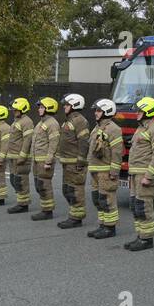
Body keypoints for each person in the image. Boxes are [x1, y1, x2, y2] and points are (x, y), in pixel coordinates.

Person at [124, 95, 154, 251]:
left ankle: (147, 239)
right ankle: (140, 235)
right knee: (135, 205)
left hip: (144, 174)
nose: (137, 113)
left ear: (148, 111)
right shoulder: (141, 128)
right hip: (135, 173)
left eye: (140, 111)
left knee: (143, 206)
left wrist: (149, 176)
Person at [86, 98, 123, 239]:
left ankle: (110, 227)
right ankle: (102, 224)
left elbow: (117, 153)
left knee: (107, 199)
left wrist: (114, 172)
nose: (96, 113)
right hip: (95, 170)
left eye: (99, 110)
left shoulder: (114, 129)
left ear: (107, 111)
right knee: (98, 199)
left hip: (106, 171)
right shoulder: (97, 128)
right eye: (96, 110)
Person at [56, 93, 91, 229]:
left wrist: (81, 161)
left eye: (67, 104)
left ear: (75, 105)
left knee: (75, 190)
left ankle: (76, 218)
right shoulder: (69, 120)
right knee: (67, 190)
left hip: (74, 163)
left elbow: (84, 142)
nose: (64, 107)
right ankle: (73, 215)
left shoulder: (79, 121)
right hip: (67, 162)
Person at [30, 97, 61, 220]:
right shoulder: (41, 123)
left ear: (49, 108)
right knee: (39, 185)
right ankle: (44, 208)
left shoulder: (52, 123)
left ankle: (47, 212)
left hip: (44, 161)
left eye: (42, 107)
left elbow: (54, 143)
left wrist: (48, 161)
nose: (39, 109)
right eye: (39, 107)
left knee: (44, 185)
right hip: (37, 160)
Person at [6, 97, 34, 214]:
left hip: (20, 158)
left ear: (23, 109)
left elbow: (27, 140)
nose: (14, 111)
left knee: (20, 180)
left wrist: (22, 156)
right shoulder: (17, 121)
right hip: (13, 157)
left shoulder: (26, 122)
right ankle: (20, 201)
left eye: (16, 109)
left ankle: (23, 205)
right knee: (14, 180)